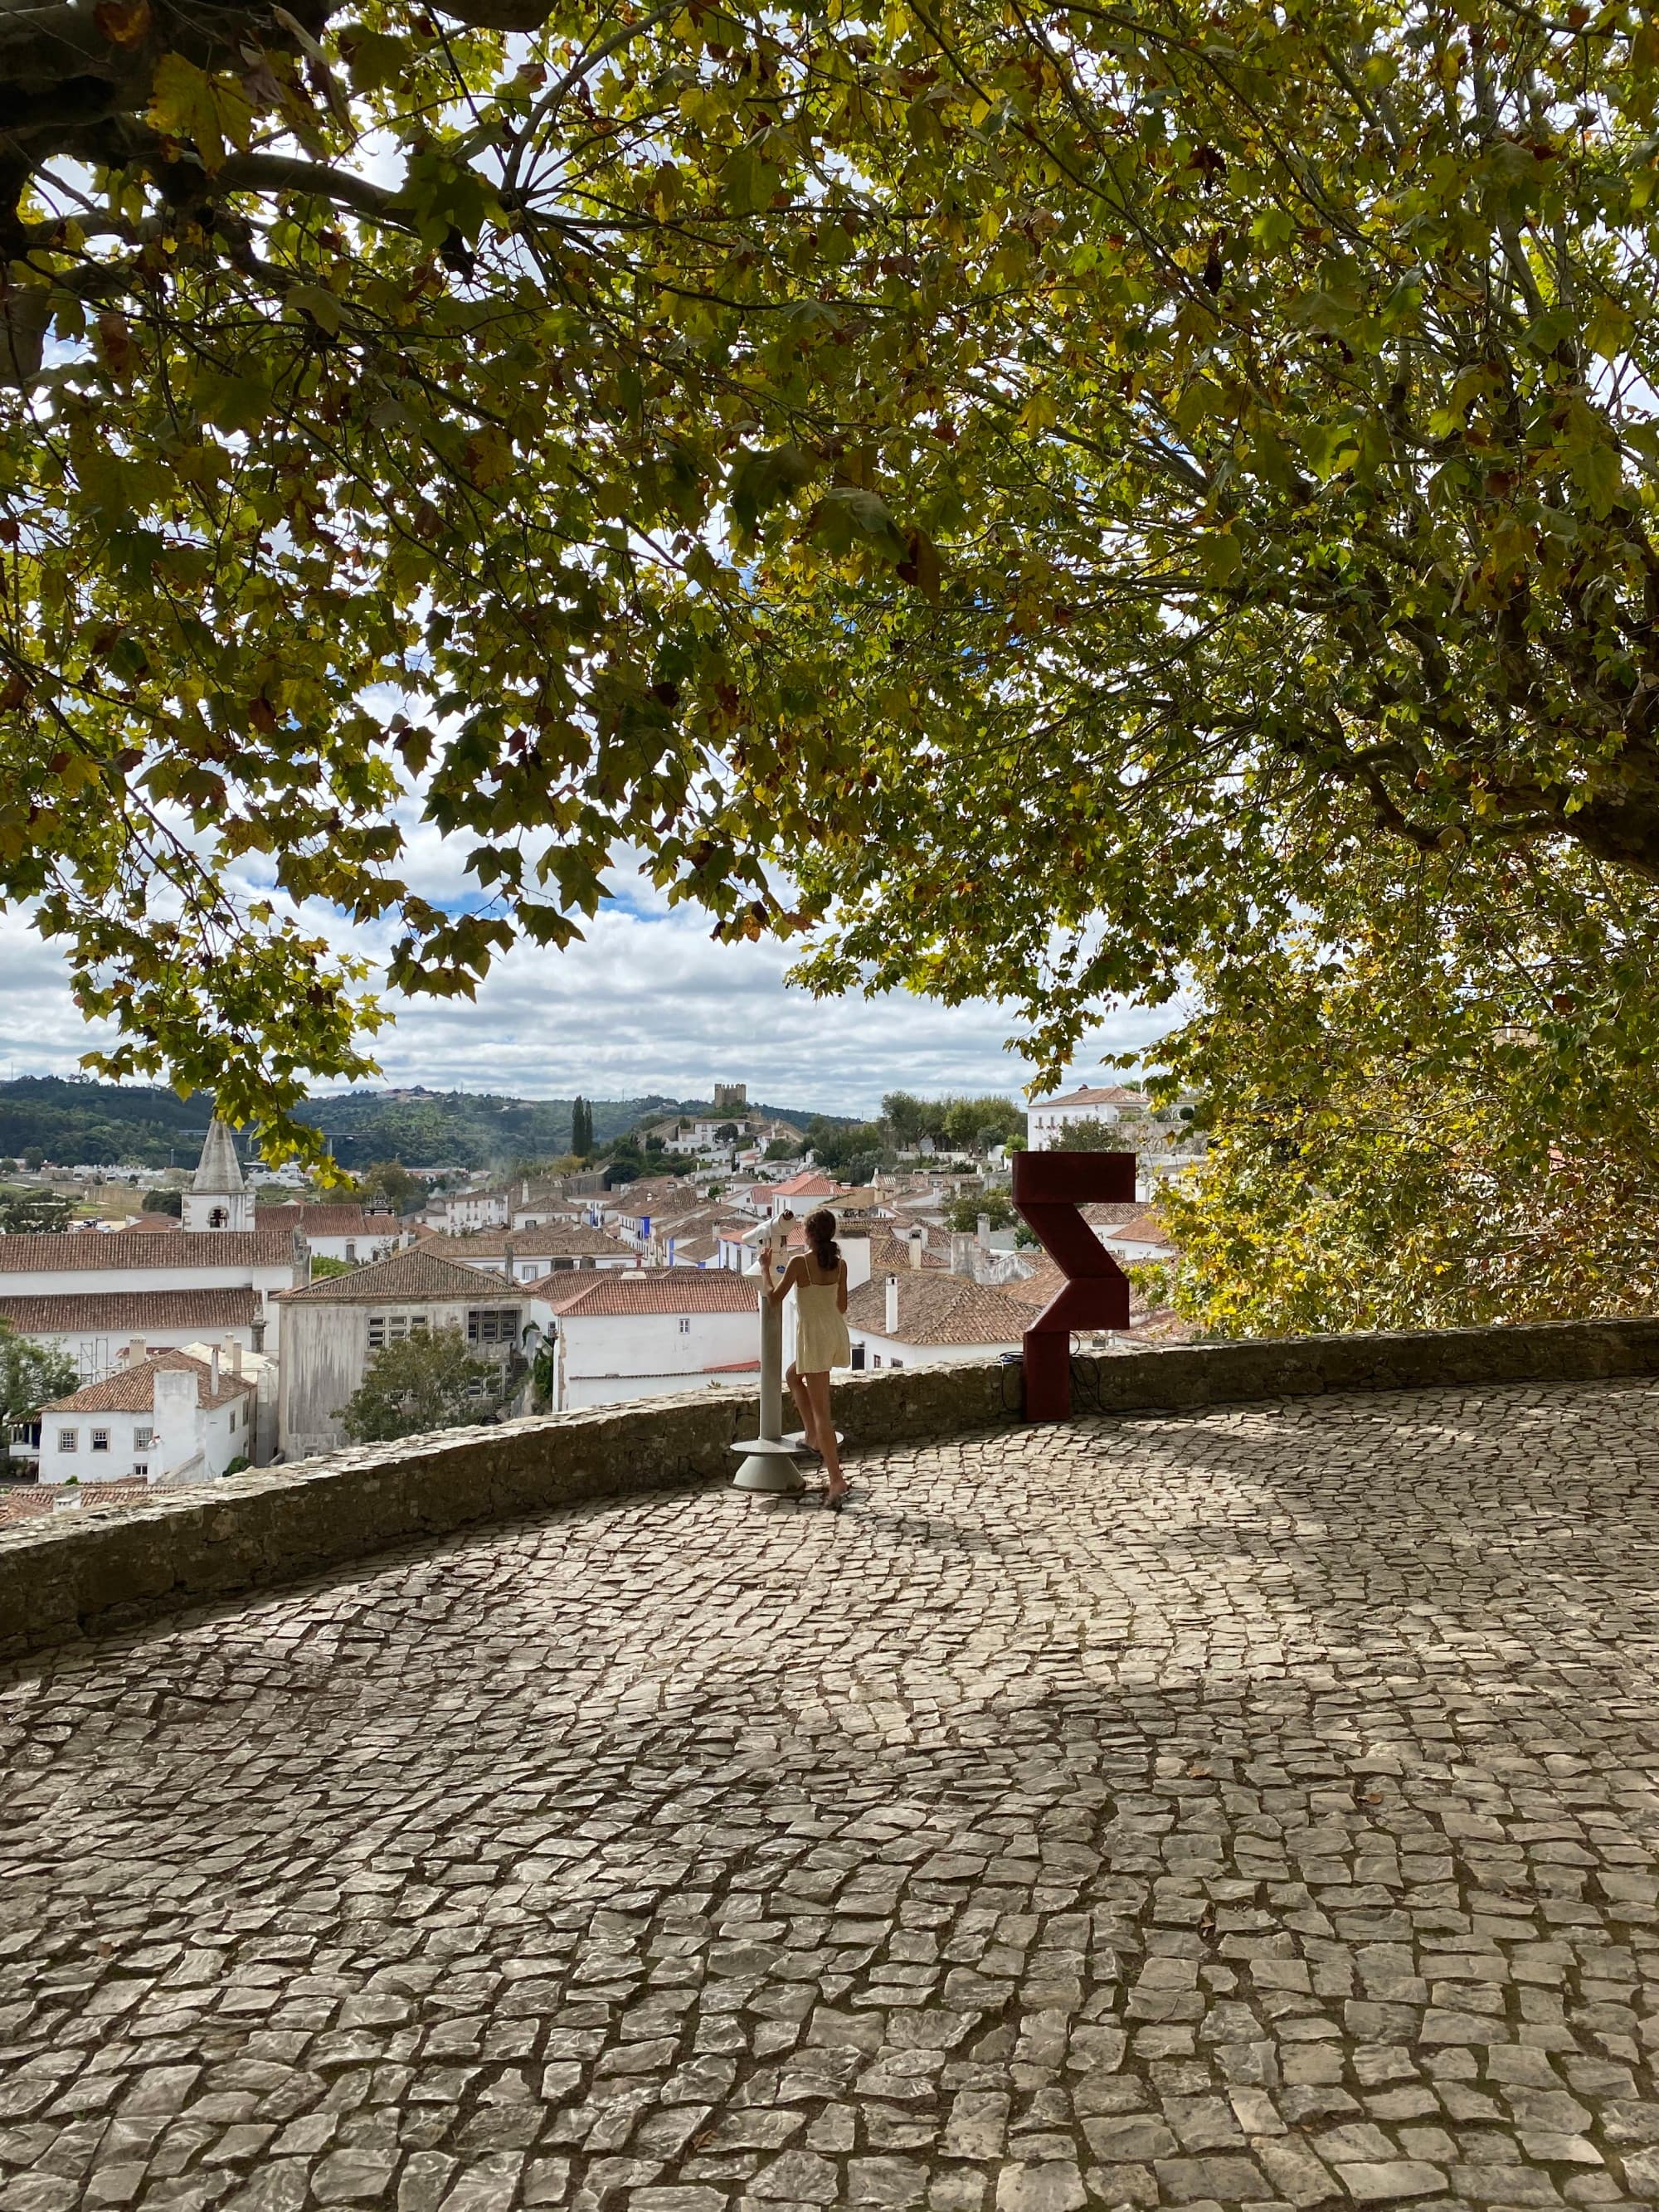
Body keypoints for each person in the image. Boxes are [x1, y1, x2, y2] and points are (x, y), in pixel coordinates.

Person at [763, 1207, 852, 1509]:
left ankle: (836, 1478)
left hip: (813, 1339)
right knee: (792, 1376)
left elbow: (774, 1299)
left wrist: (765, 1269)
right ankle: (811, 1435)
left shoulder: (800, 1263)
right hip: (833, 1333)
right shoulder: (840, 1265)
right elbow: (842, 1306)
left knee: (823, 1413)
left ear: (809, 1234)